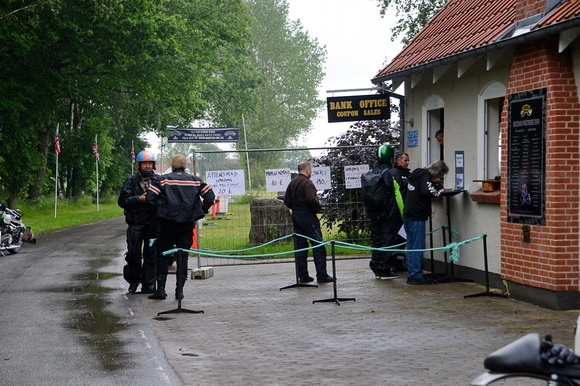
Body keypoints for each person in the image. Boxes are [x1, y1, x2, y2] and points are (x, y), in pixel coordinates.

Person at [146, 154, 215, 300]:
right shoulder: (196, 181)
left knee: (162, 255)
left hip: (166, 224)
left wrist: (158, 212)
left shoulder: (162, 179)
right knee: (183, 256)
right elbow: (210, 197)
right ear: (185, 166)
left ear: (172, 166)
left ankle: (161, 291)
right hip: (187, 224)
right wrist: (200, 212)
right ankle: (179, 292)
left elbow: (150, 198)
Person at [283, 160, 334, 283]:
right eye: (310, 169)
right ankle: (322, 275)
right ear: (308, 170)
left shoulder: (292, 183)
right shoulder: (308, 183)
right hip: (308, 217)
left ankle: (303, 276)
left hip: (296, 216)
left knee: (300, 247)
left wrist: (296, 210)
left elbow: (287, 201)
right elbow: (312, 199)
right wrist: (318, 208)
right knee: (318, 246)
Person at [118, 150, 160, 294]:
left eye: (150, 164)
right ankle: (134, 281)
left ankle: (148, 284)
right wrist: (139, 199)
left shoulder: (158, 180)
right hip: (136, 224)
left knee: (151, 254)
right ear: (139, 165)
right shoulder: (131, 181)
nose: (148, 166)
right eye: (145, 164)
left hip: (153, 226)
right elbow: (122, 201)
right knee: (134, 254)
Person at [403, 160, 449, 285]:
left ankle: (412, 273)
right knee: (418, 246)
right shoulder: (425, 176)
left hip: (408, 213)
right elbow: (428, 191)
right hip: (417, 216)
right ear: (436, 171)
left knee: (411, 246)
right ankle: (416, 275)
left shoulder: (416, 174)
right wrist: (440, 188)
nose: (436, 178)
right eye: (439, 176)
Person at [365, 145, 406, 279]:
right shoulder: (393, 172)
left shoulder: (371, 172)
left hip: (373, 212)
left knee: (376, 240)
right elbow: (398, 194)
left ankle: (376, 267)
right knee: (387, 240)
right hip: (389, 213)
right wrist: (403, 213)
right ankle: (384, 269)